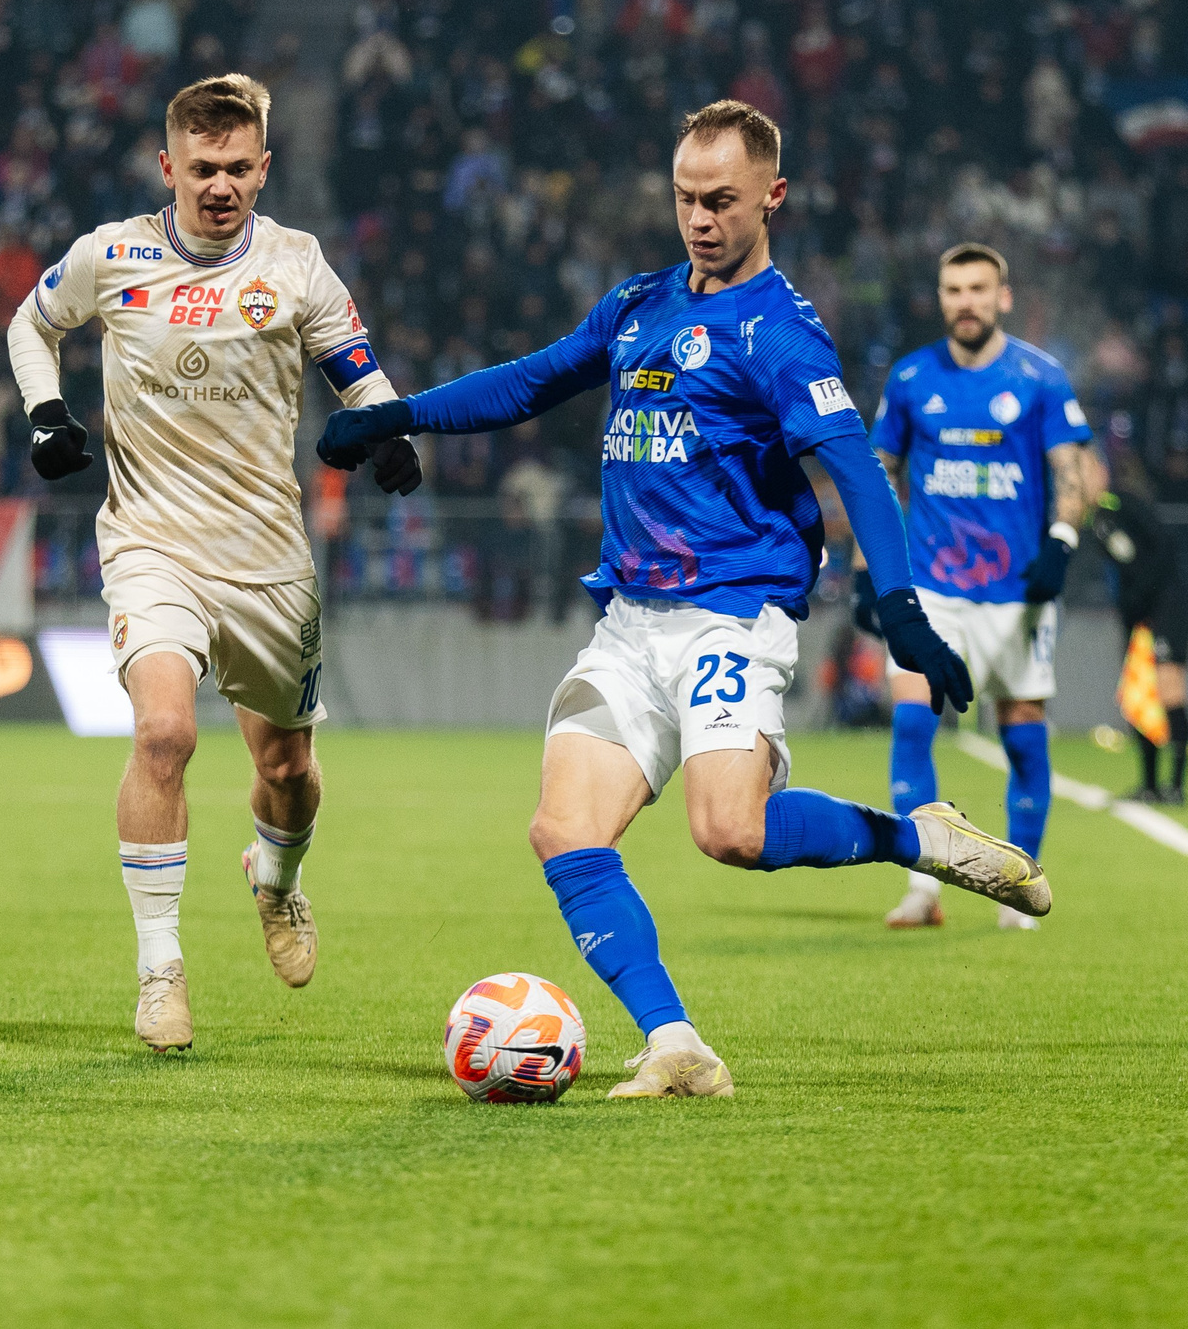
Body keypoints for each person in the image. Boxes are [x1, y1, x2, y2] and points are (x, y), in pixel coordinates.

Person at [319, 100, 1033, 1102]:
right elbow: (530, 383)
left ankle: (917, 838)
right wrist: (394, 415)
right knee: (562, 831)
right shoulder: (638, 303)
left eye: (722, 201)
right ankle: (674, 1043)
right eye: (685, 199)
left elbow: (857, 469)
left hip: (731, 611)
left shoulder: (780, 336)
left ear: (771, 197)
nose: (699, 218)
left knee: (729, 833)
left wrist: (902, 605)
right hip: (628, 620)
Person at [6, 74, 420, 1054]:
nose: (221, 185)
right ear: (168, 167)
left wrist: (390, 431)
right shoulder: (109, 257)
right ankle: (160, 973)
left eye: (238, 168)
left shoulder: (298, 263)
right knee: (162, 736)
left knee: (290, 773)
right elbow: (32, 325)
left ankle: (275, 882)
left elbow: (356, 369)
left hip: (269, 562)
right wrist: (44, 413)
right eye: (202, 169)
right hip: (152, 546)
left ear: (264, 167)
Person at [859, 242, 1093, 929]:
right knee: (910, 721)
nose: (966, 301)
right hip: (933, 584)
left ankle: (1021, 887)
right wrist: (869, 569)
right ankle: (923, 887)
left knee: (1022, 732)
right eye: (953, 289)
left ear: (1003, 296)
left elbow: (1070, 470)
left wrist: (1062, 539)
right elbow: (880, 472)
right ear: (941, 297)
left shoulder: (1041, 376)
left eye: (978, 289)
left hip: (1016, 588)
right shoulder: (909, 378)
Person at [1076, 449, 1188, 804]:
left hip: (1169, 605)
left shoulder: (1124, 503)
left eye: (1084, 471)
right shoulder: (1097, 520)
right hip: (1142, 613)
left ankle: (1176, 785)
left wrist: (1146, 597)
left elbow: (1163, 548)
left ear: (1101, 472)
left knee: (1170, 687)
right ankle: (1149, 784)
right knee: (1138, 692)